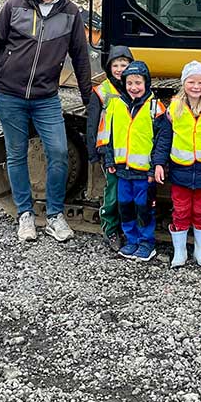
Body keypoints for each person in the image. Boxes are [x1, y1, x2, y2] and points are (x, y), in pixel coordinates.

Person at [0, 0, 93, 244]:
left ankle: (55, 215)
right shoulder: (14, 6)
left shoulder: (69, 12)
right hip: (10, 95)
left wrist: (89, 99)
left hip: (46, 98)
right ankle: (25, 215)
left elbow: (80, 57)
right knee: (16, 155)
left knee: (58, 153)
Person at [152, 60, 201, 268]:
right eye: (191, 82)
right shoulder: (174, 109)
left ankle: (200, 249)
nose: (196, 87)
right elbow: (164, 139)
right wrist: (159, 163)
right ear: (183, 83)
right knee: (180, 210)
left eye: (200, 82)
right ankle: (180, 251)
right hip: (181, 171)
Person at [100, 60, 165, 261]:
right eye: (129, 83)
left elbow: (162, 139)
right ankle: (132, 240)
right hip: (122, 170)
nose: (134, 88)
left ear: (146, 83)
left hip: (144, 172)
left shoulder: (156, 107)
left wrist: (155, 167)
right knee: (125, 206)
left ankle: (147, 243)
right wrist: (110, 161)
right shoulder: (116, 105)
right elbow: (108, 136)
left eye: (138, 83)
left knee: (144, 208)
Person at [86, 45, 134, 252]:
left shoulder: (135, 88)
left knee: (129, 194)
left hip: (131, 152)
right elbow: (92, 123)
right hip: (110, 152)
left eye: (124, 64)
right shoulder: (102, 91)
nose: (120, 69)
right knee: (113, 193)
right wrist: (92, 152)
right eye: (116, 65)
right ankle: (111, 229)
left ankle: (128, 228)